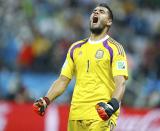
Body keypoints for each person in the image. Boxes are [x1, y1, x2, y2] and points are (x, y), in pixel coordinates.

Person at [33, 3, 128, 131]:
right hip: (76, 115)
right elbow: (63, 80)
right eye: (94, 11)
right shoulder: (75, 48)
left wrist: (112, 105)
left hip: (100, 115)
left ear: (109, 21)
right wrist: (46, 100)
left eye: (101, 11)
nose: (96, 12)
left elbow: (120, 83)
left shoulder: (115, 48)